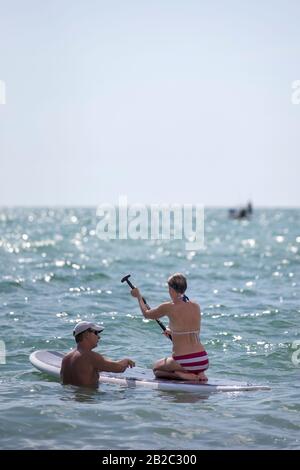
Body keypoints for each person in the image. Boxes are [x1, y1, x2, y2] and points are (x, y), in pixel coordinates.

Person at [131, 273, 209, 382]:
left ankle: (184, 376)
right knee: (189, 364)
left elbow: (146, 314)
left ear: (171, 289)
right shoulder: (196, 306)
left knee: (156, 369)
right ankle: (199, 373)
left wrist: (138, 296)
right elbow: (190, 333)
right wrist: (172, 334)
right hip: (203, 360)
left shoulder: (169, 307)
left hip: (185, 361)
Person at [60, 321, 135, 388]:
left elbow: (82, 372)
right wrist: (126, 361)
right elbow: (119, 368)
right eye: (96, 333)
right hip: (88, 399)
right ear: (86, 334)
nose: (99, 337)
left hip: (69, 399)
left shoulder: (66, 358)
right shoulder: (90, 356)